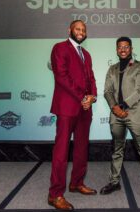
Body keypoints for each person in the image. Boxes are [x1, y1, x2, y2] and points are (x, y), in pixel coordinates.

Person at [100, 37, 140, 205]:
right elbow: (107, 91)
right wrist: (115, 107)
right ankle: (114, 182)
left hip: (135, 114)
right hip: (116, 115)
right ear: (116, 49)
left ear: (131, 48)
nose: (123, 49)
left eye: (126, 47)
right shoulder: (112, 69)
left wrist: (123, 106)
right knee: (117, 149)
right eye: (120, 47)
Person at [48, 20, 97, 211]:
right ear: (69, 30)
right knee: (61, 152)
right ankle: (55, 195)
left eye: (84, 30)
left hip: (85, 109)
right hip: (67, 107)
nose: (81, 32)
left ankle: (76, 182)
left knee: (81, 148)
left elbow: (91, 77)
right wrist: (82, 96)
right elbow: (61, 76)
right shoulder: (59, 48)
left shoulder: (87, 54)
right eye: (78, 29)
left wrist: (92, 96)